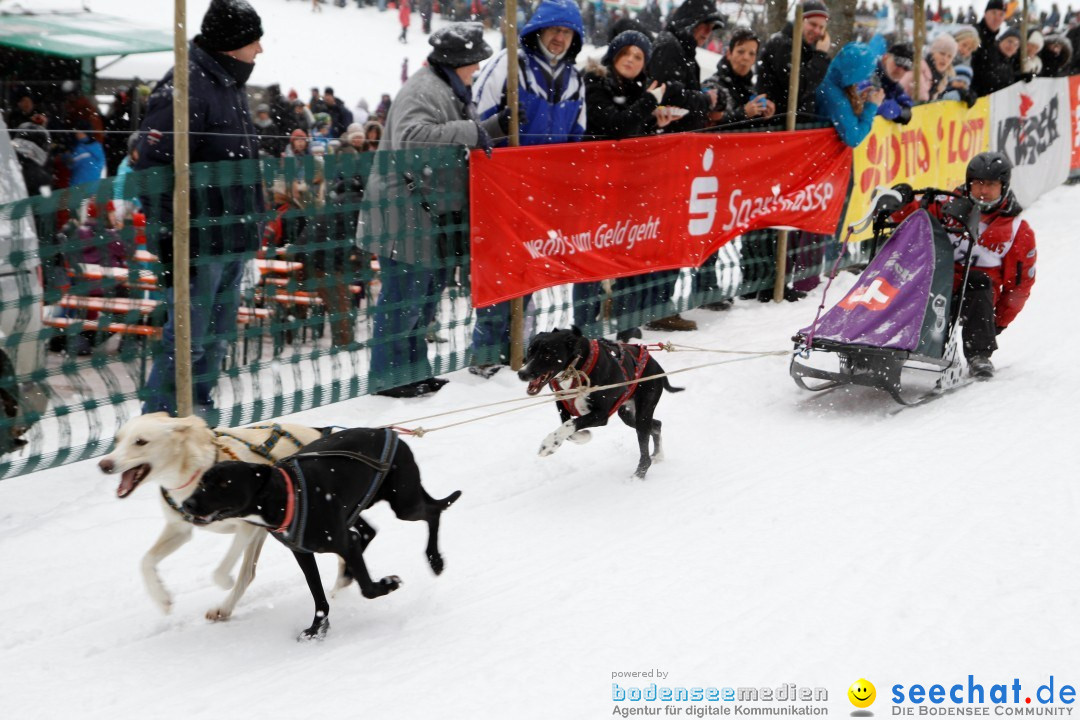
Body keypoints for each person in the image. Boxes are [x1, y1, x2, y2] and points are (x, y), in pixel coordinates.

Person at [359, 22, 510, 397]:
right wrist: (473, 132)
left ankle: (411, 373)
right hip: (405, 212)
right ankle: (389, 380)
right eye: (473, 62)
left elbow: (451, 132)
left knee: (420, 302)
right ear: (458, 60)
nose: (476, 69)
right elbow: (413, 139)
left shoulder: (444, 87)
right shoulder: (424, 89)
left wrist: (494, 126)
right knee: (404, 302)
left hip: (423, 213)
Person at [136, 0, 266, 421]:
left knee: (218, 336)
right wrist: (170, 239)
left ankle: (198, 416)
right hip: (198, 241)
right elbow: (152, 166)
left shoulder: (227, 83)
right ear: (231, 45)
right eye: (253, 40)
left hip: (232, 236)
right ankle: (160, 420)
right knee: (188, 339)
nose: (260, 49)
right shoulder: (187, 85)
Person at [470, 0, 586, 372]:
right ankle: (486, 353)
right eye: (553, 30)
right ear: (538, 31)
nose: (558, 38)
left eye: (566, 32)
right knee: (499, 273)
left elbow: (577, 140)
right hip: (501, 189)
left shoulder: (575, 81)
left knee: (529, 270)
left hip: (544, 195)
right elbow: (475, 118)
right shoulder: (507, 66)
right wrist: (501, 124)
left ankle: (516, 349)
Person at [893, 152, 1035, 380]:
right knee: (903, 271)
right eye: (978, 184)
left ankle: (979, 354)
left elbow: (1019, 287)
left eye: (991, 185)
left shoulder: (1018, 230)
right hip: (938, 282)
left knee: (979, 281)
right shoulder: (947, 206)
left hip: (975, 297)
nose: (983, 191)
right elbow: (912, 219)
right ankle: (884, 339)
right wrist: (902, 201)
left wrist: (997, 324)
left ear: (1004, 187)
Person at [582, 29, 680, 341]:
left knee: (630, 255)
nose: (631, 60)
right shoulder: (595, 83)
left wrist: (653, 121)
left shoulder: (639, 90)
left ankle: (627, 326)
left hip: (629, 188)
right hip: (595, 185)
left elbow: (632, 128)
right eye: (626, 53)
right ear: (613, 55)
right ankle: (584, 330)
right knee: (590, 261)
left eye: (638, 56)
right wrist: (649, 102)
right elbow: (614, 125)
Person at [757, 0, 832, 122]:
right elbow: (796, 88)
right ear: (800, 21)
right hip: (778, 125)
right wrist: (821, 56)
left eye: (821, 27)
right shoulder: (783, 45)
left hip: (796, 126)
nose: (817, 31)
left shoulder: (808, 48)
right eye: (813, 24)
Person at [817, 43, 882, 148]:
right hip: (824, 153)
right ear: (856, 73)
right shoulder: (835, 97)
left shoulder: (830, 78)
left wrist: (858, 99)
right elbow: (854, 138)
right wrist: (872, 106)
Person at [706, 28, 775, 128]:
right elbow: (709, 124)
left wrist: (765, 115)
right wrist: (743, 113)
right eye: (741, 51)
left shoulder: (752, 90)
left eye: (751, 54)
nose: (746, 57)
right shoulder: (713, 86)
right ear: (729, 54)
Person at [902, 33, 957, 102]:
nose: (945, 59)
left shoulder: (942, 76)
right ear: (933, 52)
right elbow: (922, 99)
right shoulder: (920, 69)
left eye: (949, 56)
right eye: (942, 53)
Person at [875, 42, 914, 124]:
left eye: (907, 67)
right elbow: (876, 105)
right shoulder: (871, 75)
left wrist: (906, 107)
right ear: (885, 58)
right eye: (898, 62)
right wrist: (899, 111)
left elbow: (904, 98)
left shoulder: (893, 84)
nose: (900, 70)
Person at [64, 119, 106, 187]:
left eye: (77, 130)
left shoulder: (82, 149)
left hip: (80, 188)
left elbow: (70, 163)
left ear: (82, 132)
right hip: (94, 187)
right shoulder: (97, 146)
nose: (75, 133)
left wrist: (65, 154)